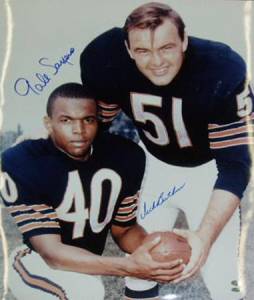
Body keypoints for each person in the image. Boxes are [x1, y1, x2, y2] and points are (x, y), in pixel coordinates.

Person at [80, 2, 253, 300]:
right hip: (152, 166)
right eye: (143, 51)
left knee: (225, 279)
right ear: (127, 48)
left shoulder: (221, 67)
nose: (156, 61)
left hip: (208, 171)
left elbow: (236, 165)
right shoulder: (104, 58)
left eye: (167, 47)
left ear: (185, 41)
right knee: (141, 268)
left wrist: (204, 237)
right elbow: (98, 132)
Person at [0, 83, 185, 300]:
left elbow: (124, 230)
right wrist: (129, 266)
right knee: (85, 291)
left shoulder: (126, 156)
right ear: (48, 124)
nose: (78, 130)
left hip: (86, 267)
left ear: (98, 121)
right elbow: (52, 254)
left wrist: (157, 250)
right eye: (66, 120)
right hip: (34, 261)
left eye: (87, 120)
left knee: (92, 288)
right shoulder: (24, 161)